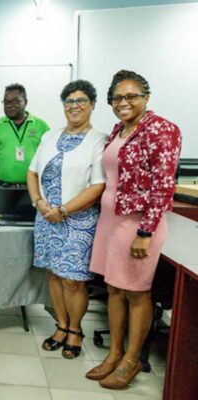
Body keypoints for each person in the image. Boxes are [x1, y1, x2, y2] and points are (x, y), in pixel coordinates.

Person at [86, 70, 181, 389]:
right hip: (110, 220)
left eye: (131, 96)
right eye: (117, 98)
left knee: (136, 292)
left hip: (138, 223)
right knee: (113, 288)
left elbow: (163, 186)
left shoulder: (161, 130)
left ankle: (132, 360)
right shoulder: (118, 130)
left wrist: (145, 232)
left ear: (146, 97)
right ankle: (114, 353)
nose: (123, 102)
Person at [27, 80, 107, 360]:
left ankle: (75, 330)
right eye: (69, 101)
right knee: (53, 274)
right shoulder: (50, 135)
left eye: (81, 101)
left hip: (78, 221)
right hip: (46, 218)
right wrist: (39, 203)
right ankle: (60, 326)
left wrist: (64, 211)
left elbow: (97, 186)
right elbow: (32, 172)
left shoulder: (100, 140)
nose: (74, 106)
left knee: (73, 280)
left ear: (93, 104)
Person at [0, 83, 50, 208]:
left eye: (16, 101)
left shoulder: (41, 126)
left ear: (26, 102)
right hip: (1, 189)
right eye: (6, 102)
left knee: (29, 227)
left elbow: (50, 160)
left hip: (32, 190)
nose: (11, 106)